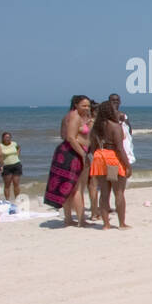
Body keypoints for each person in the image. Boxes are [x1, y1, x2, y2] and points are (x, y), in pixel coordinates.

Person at [45, 96, 92, 225]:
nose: (87, 108)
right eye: (84, 105)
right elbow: (71, 138)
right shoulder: (75, 117)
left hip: (66, 152)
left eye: (88, 106)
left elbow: (63, 134)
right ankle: (81, 220)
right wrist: (82, 153)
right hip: (72, 153)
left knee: (68, 187)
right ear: (76, 104)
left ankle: (68, 218)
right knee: (77, 188)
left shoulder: (68, 116)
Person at [89, 99, 132, 229]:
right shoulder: (115, 126)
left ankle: (106, 224)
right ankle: (122, 223)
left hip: (99, 157)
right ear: (110, 111)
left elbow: (93, 147)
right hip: (112, 159)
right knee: (118, 192)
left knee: (104, 192)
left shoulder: (96, 127)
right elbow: (119, 148)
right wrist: (128, 165)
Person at [108, 93, 135, 167]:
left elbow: (129, 129)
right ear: (108, 102)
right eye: (113, 100)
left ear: (120, 102)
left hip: (125, 143)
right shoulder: (107, 115)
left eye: (117, 100)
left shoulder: (124, 115)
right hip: (113, 146)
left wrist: (129, 141)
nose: (115, 101)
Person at [0, 131, 21, 200]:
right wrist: (1, 165)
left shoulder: (14, 143)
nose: (7, 139)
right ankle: (7, 200)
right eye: (6, 137)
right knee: (7, 185)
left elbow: (18, 148)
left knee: (16, 183)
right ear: (3, 138)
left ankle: (17, 199)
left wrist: (17, 155)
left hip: (16, 165)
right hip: (6, 166)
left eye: (9, 137)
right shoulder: (0, 145)